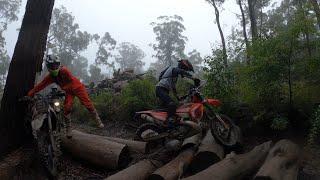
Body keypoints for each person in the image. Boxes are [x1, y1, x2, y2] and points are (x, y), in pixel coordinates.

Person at [27, 55, 105, 138]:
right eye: (52, 66)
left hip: (78, 87)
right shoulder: (50, 77)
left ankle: (98, 121)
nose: (54, 67)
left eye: (56, 65)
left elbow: (71, 81)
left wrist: (62, 89)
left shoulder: (64, 70)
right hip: (69, 91)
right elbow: (41, 85)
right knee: (67, 108)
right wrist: (29, 94)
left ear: (59, 64)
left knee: (87, 103)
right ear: (48, 66)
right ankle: (68, 129)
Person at [156, 59, 199, 128]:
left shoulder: (173, 76)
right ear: (182, 66)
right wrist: (193, 78)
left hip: (163, 90)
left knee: (169, 108)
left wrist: (178, 98)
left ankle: (162, 127)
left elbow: (173, 89)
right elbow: (180, 71)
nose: (185, 71)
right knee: (172, 104)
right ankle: (169, 123)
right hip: (160, 89)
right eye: (185, 69)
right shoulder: (173, 69)